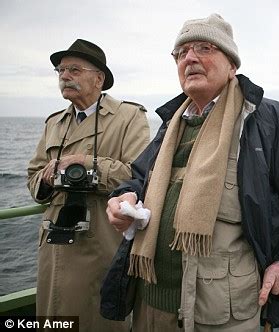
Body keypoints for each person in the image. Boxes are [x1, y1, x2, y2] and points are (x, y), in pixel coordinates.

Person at [106, 14, 279, 331]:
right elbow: (139, 178)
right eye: (181, 53)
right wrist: (124, 197)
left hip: (222, 316)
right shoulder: (170, 126)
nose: (190, 58)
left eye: (204, 48)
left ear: (232, 65)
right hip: (149, 307)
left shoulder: (274, 121)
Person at [27, 39, 150, 331]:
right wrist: (46, 179)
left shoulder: (129, 117)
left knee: (98, 318)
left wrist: (85, 163)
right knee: (54, 316)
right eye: (61, 70)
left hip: (102, 240)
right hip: (55, 243)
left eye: (74, 69)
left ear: (99, 78)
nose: (64, 76)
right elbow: (33, 178)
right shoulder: (54, 123)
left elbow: (139, 174)